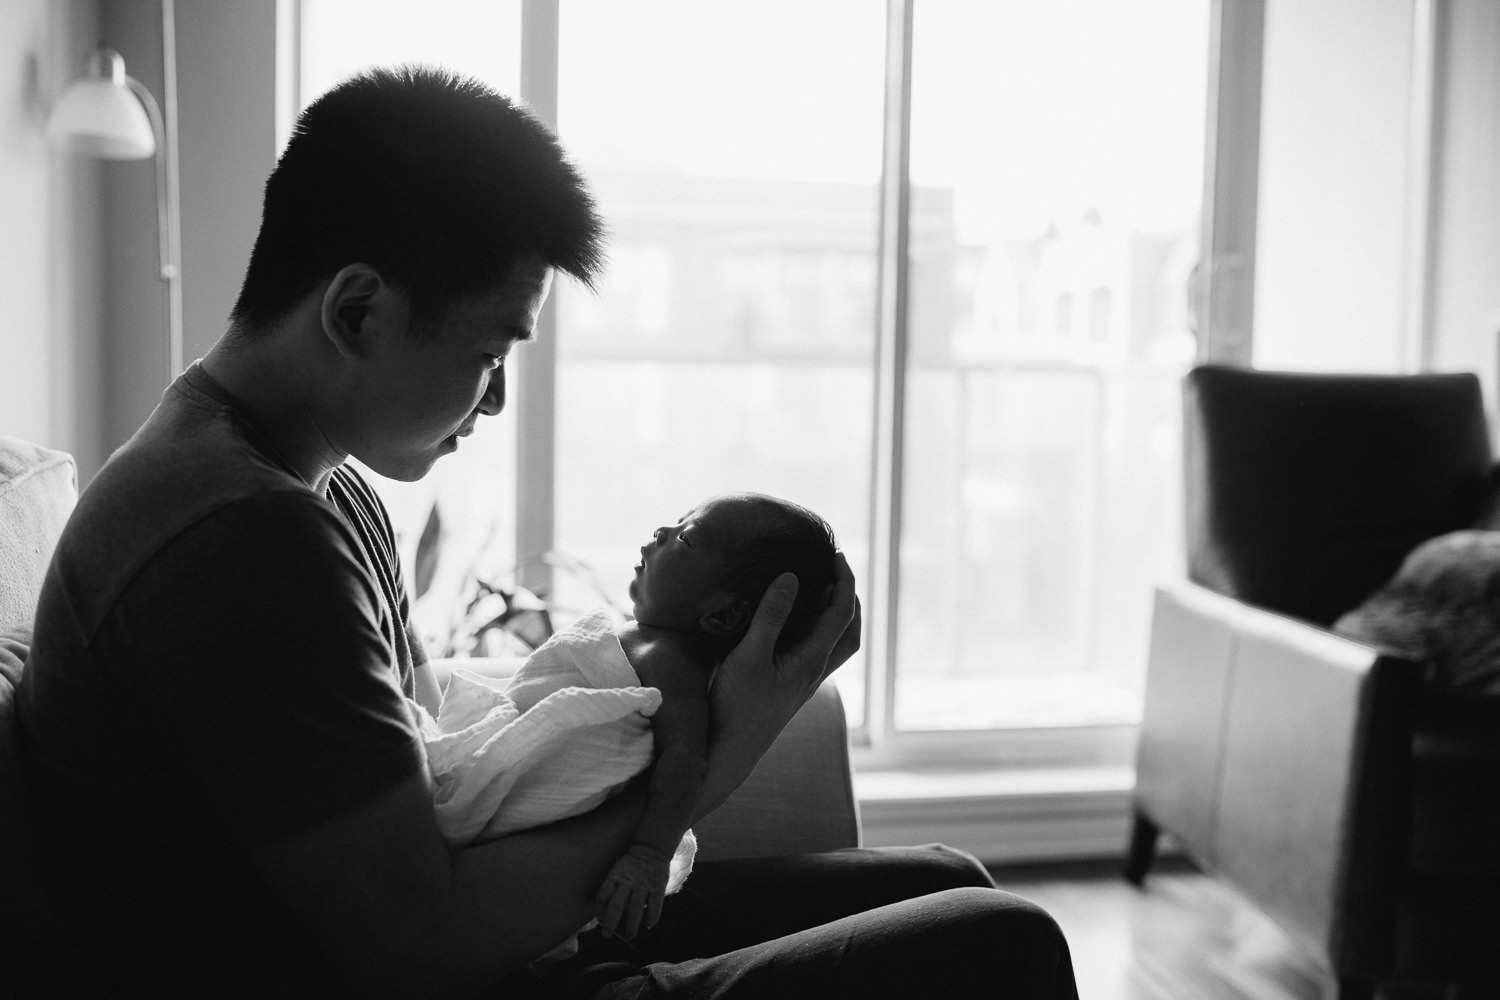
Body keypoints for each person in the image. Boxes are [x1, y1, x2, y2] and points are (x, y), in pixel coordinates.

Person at [17, 65, 1079, 999]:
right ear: (355, 313)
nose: (496, 401)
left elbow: (434, 751)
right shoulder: (237, 538)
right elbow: (417, 949)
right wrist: (719, 755)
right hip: (448, 973)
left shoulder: (316, 488)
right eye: (491, 352)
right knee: (1003, 944)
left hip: (514, 947)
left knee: (947, 878)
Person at [418, 492, 840, 945]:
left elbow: (685, 759)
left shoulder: (672, 664)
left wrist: (647, 854)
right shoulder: (652, 646)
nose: (663, 532)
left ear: (722, 613)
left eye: (688, 537)